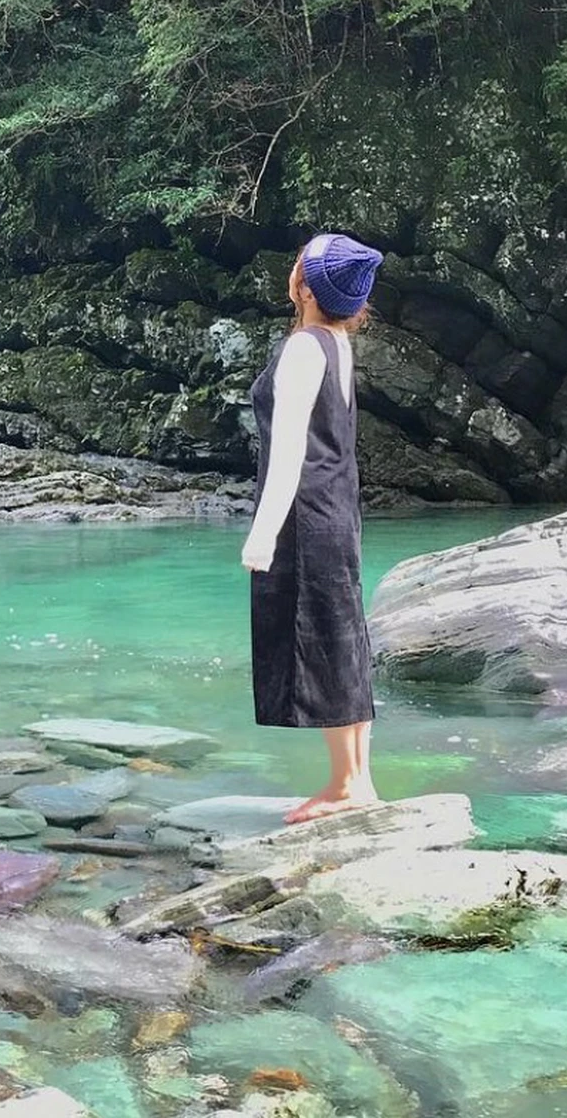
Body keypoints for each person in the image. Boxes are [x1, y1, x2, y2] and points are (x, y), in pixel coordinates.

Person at [240, 231, 384, 824]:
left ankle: (348, 784)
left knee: (325, 641)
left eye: (297, 260)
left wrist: (262, 535)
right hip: (338, 509)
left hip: (306, 514)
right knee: (343, 637)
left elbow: (289, 454)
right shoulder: (337, 343)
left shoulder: (305, 348)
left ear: (302, 285)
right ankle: (356, 780)